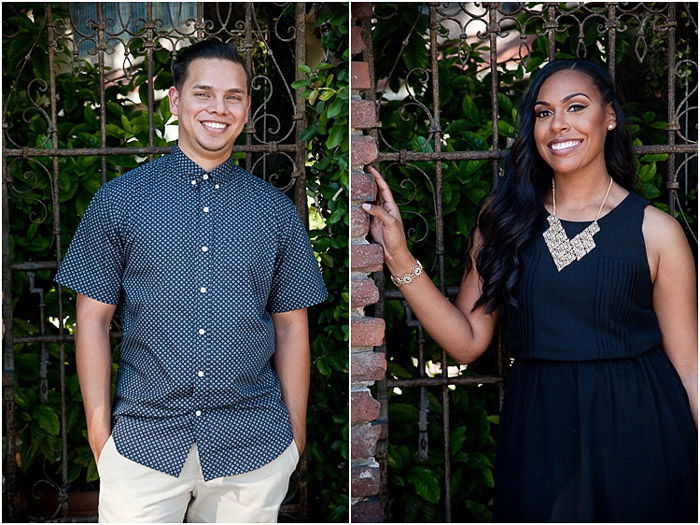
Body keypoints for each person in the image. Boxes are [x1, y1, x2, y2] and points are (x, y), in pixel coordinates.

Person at [362, 59, 697, 522]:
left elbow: (690, 367)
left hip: (640, 428)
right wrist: (399, 256)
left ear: (610, 115)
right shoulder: (504, 220)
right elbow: (466, 342)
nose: (558, 124)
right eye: (543, 113)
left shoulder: (657, 231)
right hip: (540, 427)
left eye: (576, 107)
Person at [55, 39, 327, 523]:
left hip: (254, 447)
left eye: (234, 96)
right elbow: (92, 322)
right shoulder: (119, 202)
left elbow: (291, 325)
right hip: (143, 444)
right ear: (176, 101)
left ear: (246, 109)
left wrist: (295, 435)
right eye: (203, 93)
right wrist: (101, 435)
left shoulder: (276, 213)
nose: (218, 108)